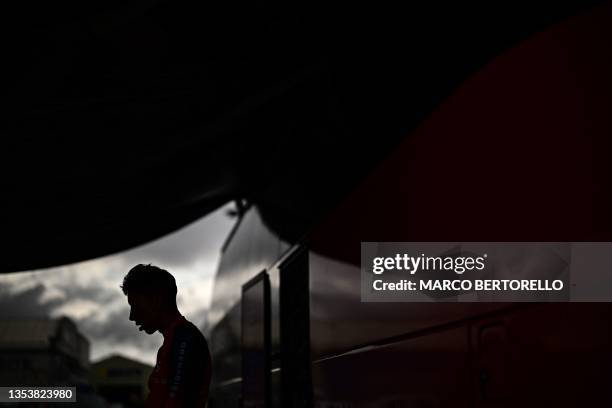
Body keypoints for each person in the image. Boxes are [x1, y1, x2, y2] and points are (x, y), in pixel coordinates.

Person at [121, 264, 212, 407]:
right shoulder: (176, 341)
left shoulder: (185, 341)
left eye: (135, 305)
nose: (132, 316)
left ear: (156, 300)